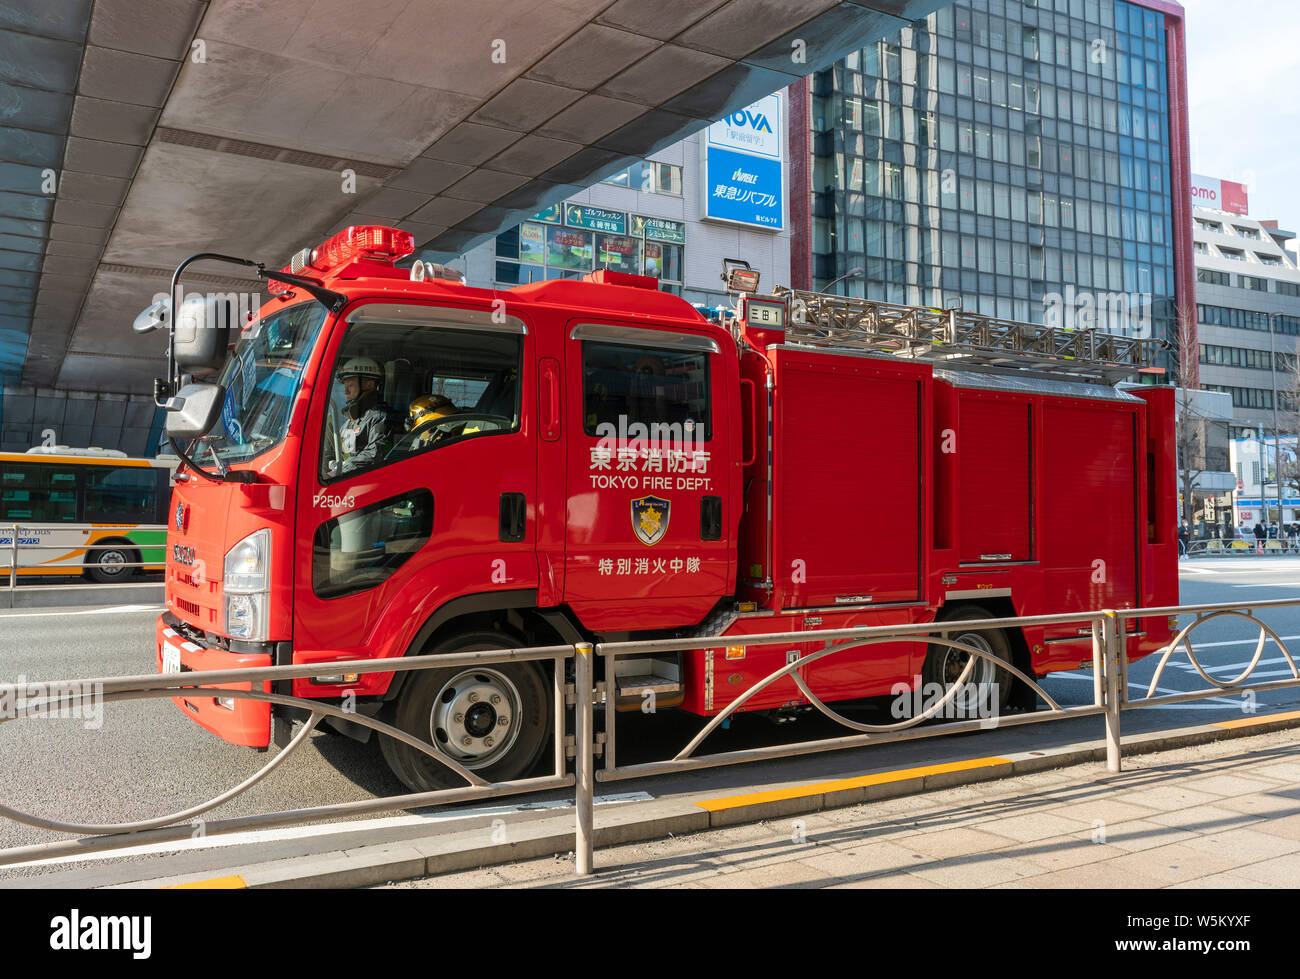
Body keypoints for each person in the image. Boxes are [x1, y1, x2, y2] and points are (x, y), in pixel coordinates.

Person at [330, 356, 396, 476]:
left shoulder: (381, 417)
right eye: (345, 387)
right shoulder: (350, 421)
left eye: (350, 385)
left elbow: (375, 454)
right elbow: (339, 451)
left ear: (370, 385)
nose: (345, 392)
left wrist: (341, 471)